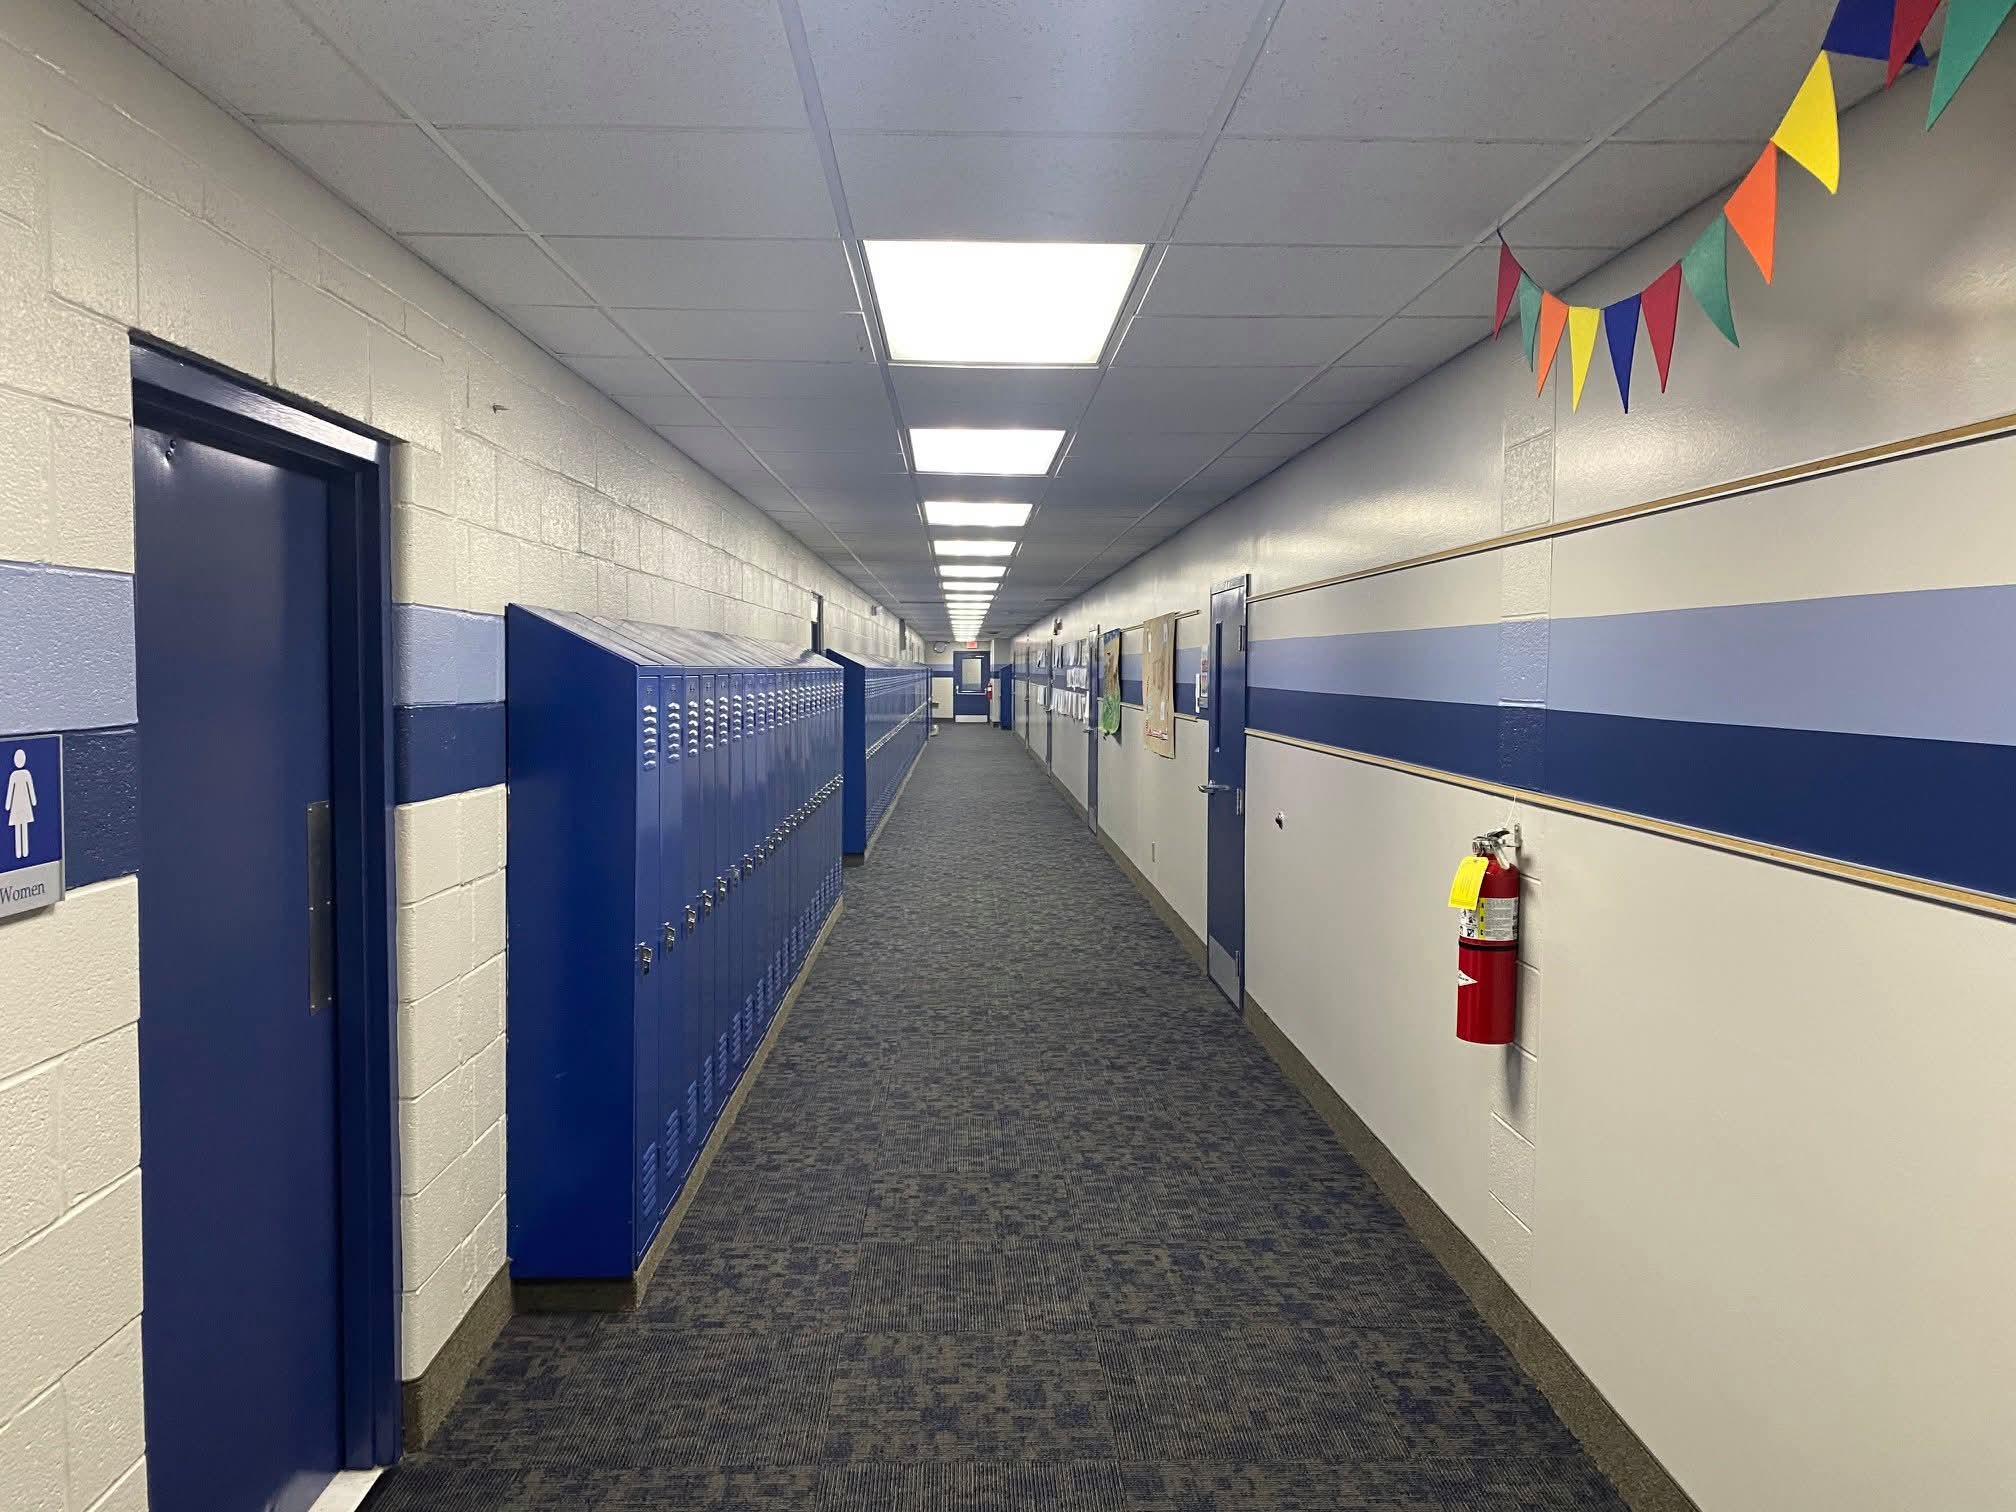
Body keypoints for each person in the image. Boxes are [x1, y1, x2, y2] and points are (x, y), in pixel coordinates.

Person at [6, 749, 36, 861]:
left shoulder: (24, 774)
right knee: (20, 826)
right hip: (18, 804)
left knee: (23, 826)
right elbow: (10, 790)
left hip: (22, 803)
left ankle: (24, 851)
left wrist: (33, 801)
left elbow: (30, 788)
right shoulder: (15, 775)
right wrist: (8, 805)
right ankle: (20, 852)